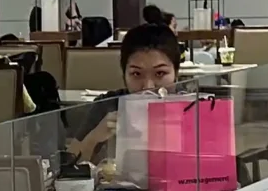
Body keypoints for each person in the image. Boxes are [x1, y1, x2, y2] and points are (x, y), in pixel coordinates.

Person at [68, 22, 184, 163]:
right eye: (136, 74)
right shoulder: (108, 106)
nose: (147, 86)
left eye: (160, 73)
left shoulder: (191, 107)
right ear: (124, 75)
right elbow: (69, 163)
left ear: (176, 73)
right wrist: (95, 137)